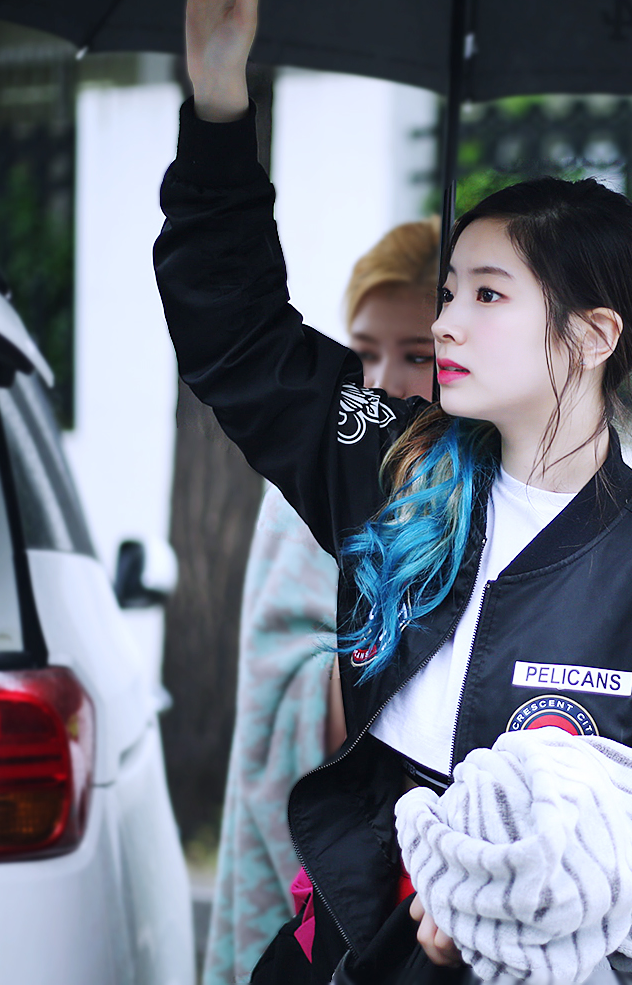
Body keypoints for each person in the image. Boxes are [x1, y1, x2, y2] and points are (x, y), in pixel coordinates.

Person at [158, 0, 632, 982]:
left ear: (591, 336)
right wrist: (219, 98)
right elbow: (234, 335)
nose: (446, 322)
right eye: (450, 290)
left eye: (488, 294)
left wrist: (506, 901)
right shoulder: (398, 472)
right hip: (370, 930)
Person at [202, 218, 441, 985]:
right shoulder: (316, 491)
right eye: (364, 352)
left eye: (417, 355)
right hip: (323, 860)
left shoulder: (497, 491)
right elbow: (278, 682)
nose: (383, 381)